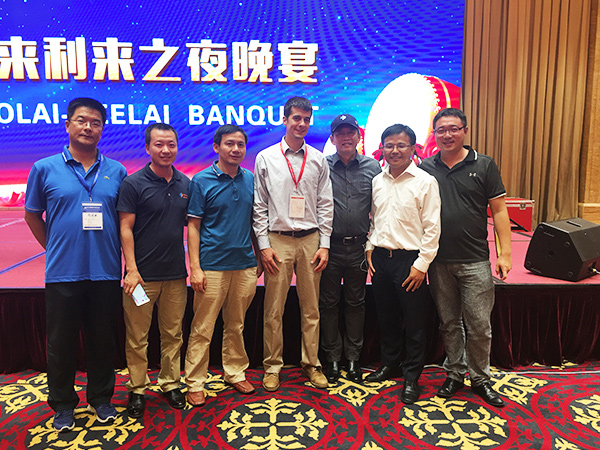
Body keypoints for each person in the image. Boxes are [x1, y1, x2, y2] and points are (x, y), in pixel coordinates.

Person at [24, 98, 127, 431]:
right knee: (61, 344)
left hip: (106, 271)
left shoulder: (117, 171)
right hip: (62, 273)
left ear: (102, 129)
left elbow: (125, 221)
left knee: (103, 341)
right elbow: (32, 215)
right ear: (68, 125)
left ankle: (101, 399)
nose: (88, 127)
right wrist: (54, 246)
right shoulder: (44, 168)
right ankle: (63, 404)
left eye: (95, 123)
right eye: (81, 121)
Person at [420, 108, 512, 407]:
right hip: (438, 261)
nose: (447, 135)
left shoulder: (484, 165)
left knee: (479, 325)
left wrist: (505, 254)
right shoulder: (426, 167)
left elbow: (499, 210)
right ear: (434, 134)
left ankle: (480, 378)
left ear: (465, 131)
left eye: (453, 129)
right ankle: (455, 374)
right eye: (441, 130)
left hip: (475, 259)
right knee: (449, 323)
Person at [253, 96, 334, 392]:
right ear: (285, 119)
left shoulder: (318, 159)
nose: (301, 124)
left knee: (311, 308)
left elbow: (325, 203)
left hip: (311, 240)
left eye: (306, 119)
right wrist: (264, 245)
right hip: (278, 240)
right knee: (274, 309)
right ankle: (272, 366)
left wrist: (324, 244)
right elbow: (259, 205)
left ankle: (311, 364)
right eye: (296, 118)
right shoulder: (266, 158)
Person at [117, 123, 190, 418]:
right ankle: (137, 388)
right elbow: (125, 228)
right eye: (159, 144)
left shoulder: (185, 184)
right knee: (138, 336)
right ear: (148, 148)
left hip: (175, 275)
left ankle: (170, 383)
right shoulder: (133, 184)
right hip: (141, 278)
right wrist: (132, 270)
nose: (165, 150)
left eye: (171, 144)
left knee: (173, 334)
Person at [365, 124, 441, 404]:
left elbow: (432, 228)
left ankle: (411, 376)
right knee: (386, 317)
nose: (394, 151)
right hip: (381, 259)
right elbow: (375, 219)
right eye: (389, 145)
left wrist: (422, 265)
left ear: (412, 148)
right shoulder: (377, 180)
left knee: (414, 322)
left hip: (410, 261)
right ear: (382, 148)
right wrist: (369, 246)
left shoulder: (425, 182)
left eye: (401, 145)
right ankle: (390, 364)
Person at [185, 125, 259, 407]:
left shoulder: (249, 179)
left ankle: (235, 372)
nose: (236, 149)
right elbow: (193, 226)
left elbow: (254, 222)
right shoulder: (201, 180)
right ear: (216, 147)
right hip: (212, 266)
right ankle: (195, 382)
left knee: (236, 324)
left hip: (244, 265)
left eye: (240, 144)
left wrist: (258, 256)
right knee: (203, 327)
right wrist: (195, 267)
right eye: (229, 144)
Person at [319, 114, 381, 384]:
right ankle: (332, 358)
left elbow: (380, 207)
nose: (346, 137)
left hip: (358, 247)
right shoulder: (321, 166)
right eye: (340, 133)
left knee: (356, 303)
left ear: (358, 136)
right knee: (328, 304)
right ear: (332, 139)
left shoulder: (373, 167)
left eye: (350, 133)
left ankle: (354, 358)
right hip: (328, 247)